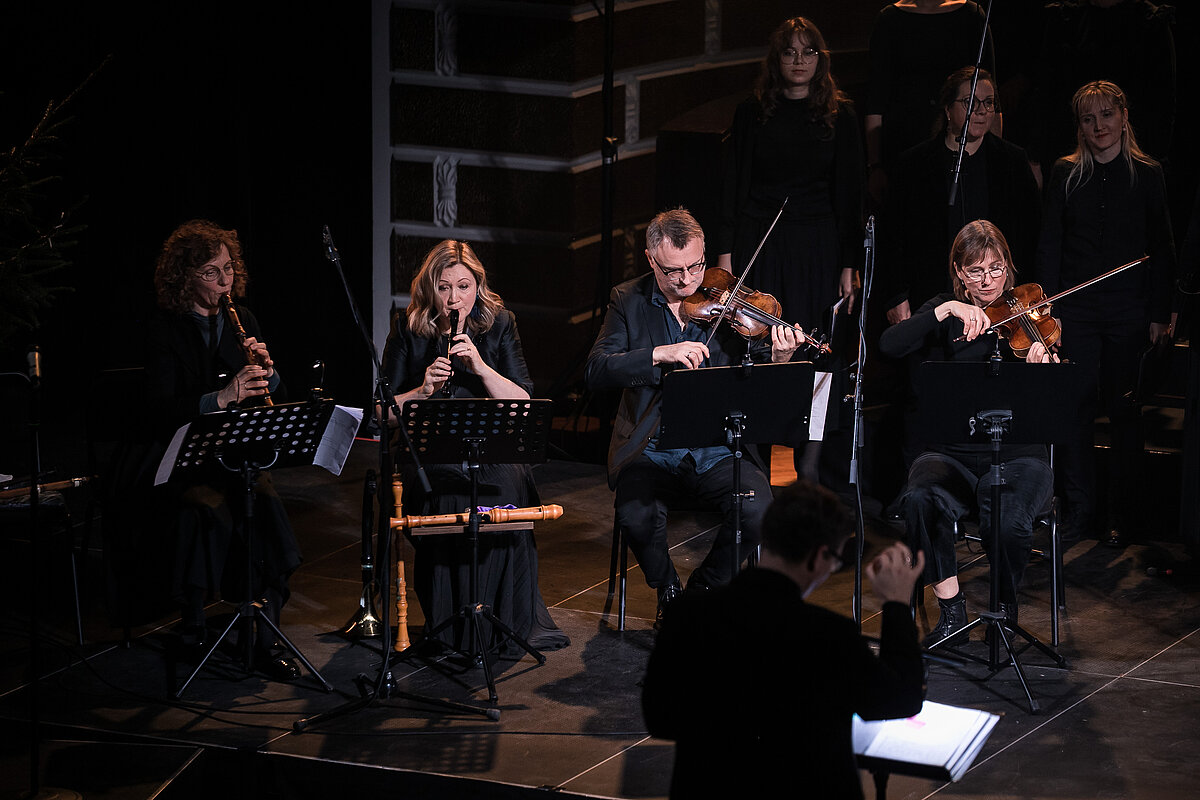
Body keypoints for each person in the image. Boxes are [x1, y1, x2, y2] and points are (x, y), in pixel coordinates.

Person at [585, 208, 804, 627]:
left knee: (758, 510)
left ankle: (703, 590)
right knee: (635, 515)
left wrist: (780, 359)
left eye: (696, 266)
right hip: (651, 445)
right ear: (651, 259)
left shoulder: (729, 303)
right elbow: (597, 370)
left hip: (717, 446)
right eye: (673, 271)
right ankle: (668, 590)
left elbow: (760, 383)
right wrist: (657, 354)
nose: (688, 280)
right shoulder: (627, 300)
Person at [641, 480, 926, 799]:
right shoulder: (829, 635)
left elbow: (660, 718)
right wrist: (896, 605)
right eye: (834, 561)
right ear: (819, 557)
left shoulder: (688, 614)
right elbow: (902, 698)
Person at [380, 239, 568, 656]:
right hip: (428, 452)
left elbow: (524, 402)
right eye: (444, 287)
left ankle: (502, 621)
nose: (454, 299)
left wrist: (481, 368)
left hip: (493, 447)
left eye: (464, 287)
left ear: (478, 286)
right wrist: (422, 390)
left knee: (504, 489)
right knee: (445, 494)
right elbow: (380, 412)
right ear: (430, 288)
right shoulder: (408, 327)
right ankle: (452, 628)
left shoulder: (499, 323)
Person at [880, 220, 1057, 646]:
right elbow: (889, 345)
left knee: (1008, 518)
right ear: (959, 272)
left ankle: (1004, 611)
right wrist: (944, 311)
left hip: (1019, 454)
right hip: (951, 452)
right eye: (976, 272)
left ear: (1007, 266)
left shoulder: (1027, 315)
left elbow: (1058, 401)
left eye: (996, 269)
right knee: (920, 499)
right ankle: (952, 610)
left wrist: (1045, 372)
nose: (988, 281)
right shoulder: (945, 310)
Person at [146, 219, 301, 682]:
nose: (224, 281)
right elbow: (158, 409)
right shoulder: (163, 327)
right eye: (212, 273)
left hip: (237, 454)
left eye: (229, 269)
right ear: (185, 277)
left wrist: (269, 371)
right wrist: (221, 398)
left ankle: (265, 635)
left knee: (267, 507)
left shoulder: (243, 320)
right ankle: (194, 627)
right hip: (187, 459)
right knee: (205, 509)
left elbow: (276, 396)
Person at [715, 15, 862, 488]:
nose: (799, 60)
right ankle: (754, 463)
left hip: (818, 247)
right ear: (775, 60)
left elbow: (849, 194)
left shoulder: (840, 115)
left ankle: (810, 465)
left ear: (821, 59)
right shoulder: (752, 112)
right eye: (789, 52)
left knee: (816, 349)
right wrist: (725, 254)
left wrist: (849, 262)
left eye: (808, 51)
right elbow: (733, 184)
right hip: (760, 242)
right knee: (754, 345)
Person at [1034, 80, 1176, 547]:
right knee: (1075, 409)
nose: (1099, 127)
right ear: (1079, 126)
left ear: (1124, 117)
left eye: (1107, 115)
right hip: (1076, 311)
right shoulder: (1065, 172)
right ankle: (1080, 511)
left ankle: (1121, 517)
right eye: (1088, 119)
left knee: (1124, 411)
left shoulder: (1147, 174)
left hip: (1129, 311)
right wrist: (1049, 310)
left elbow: (1163, 248)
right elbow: (1050, 244)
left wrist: (1160, 312)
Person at [881, 66, 1041, 326]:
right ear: (947, 109)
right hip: (930, 297)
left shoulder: (1012, 161)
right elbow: (892, 237)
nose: (981, 110)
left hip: (999, 304)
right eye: (970, 102)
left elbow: (1031, 234)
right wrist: (896, 296)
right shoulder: (913, 165)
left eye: (988, 103)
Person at [865, 0, 996, 207]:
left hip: (961, 146)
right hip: (903, 143)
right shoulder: (889, 19)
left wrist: (995, 158)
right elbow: (876, 100)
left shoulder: (972, 15)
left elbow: (990, 92)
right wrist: (875, 165)